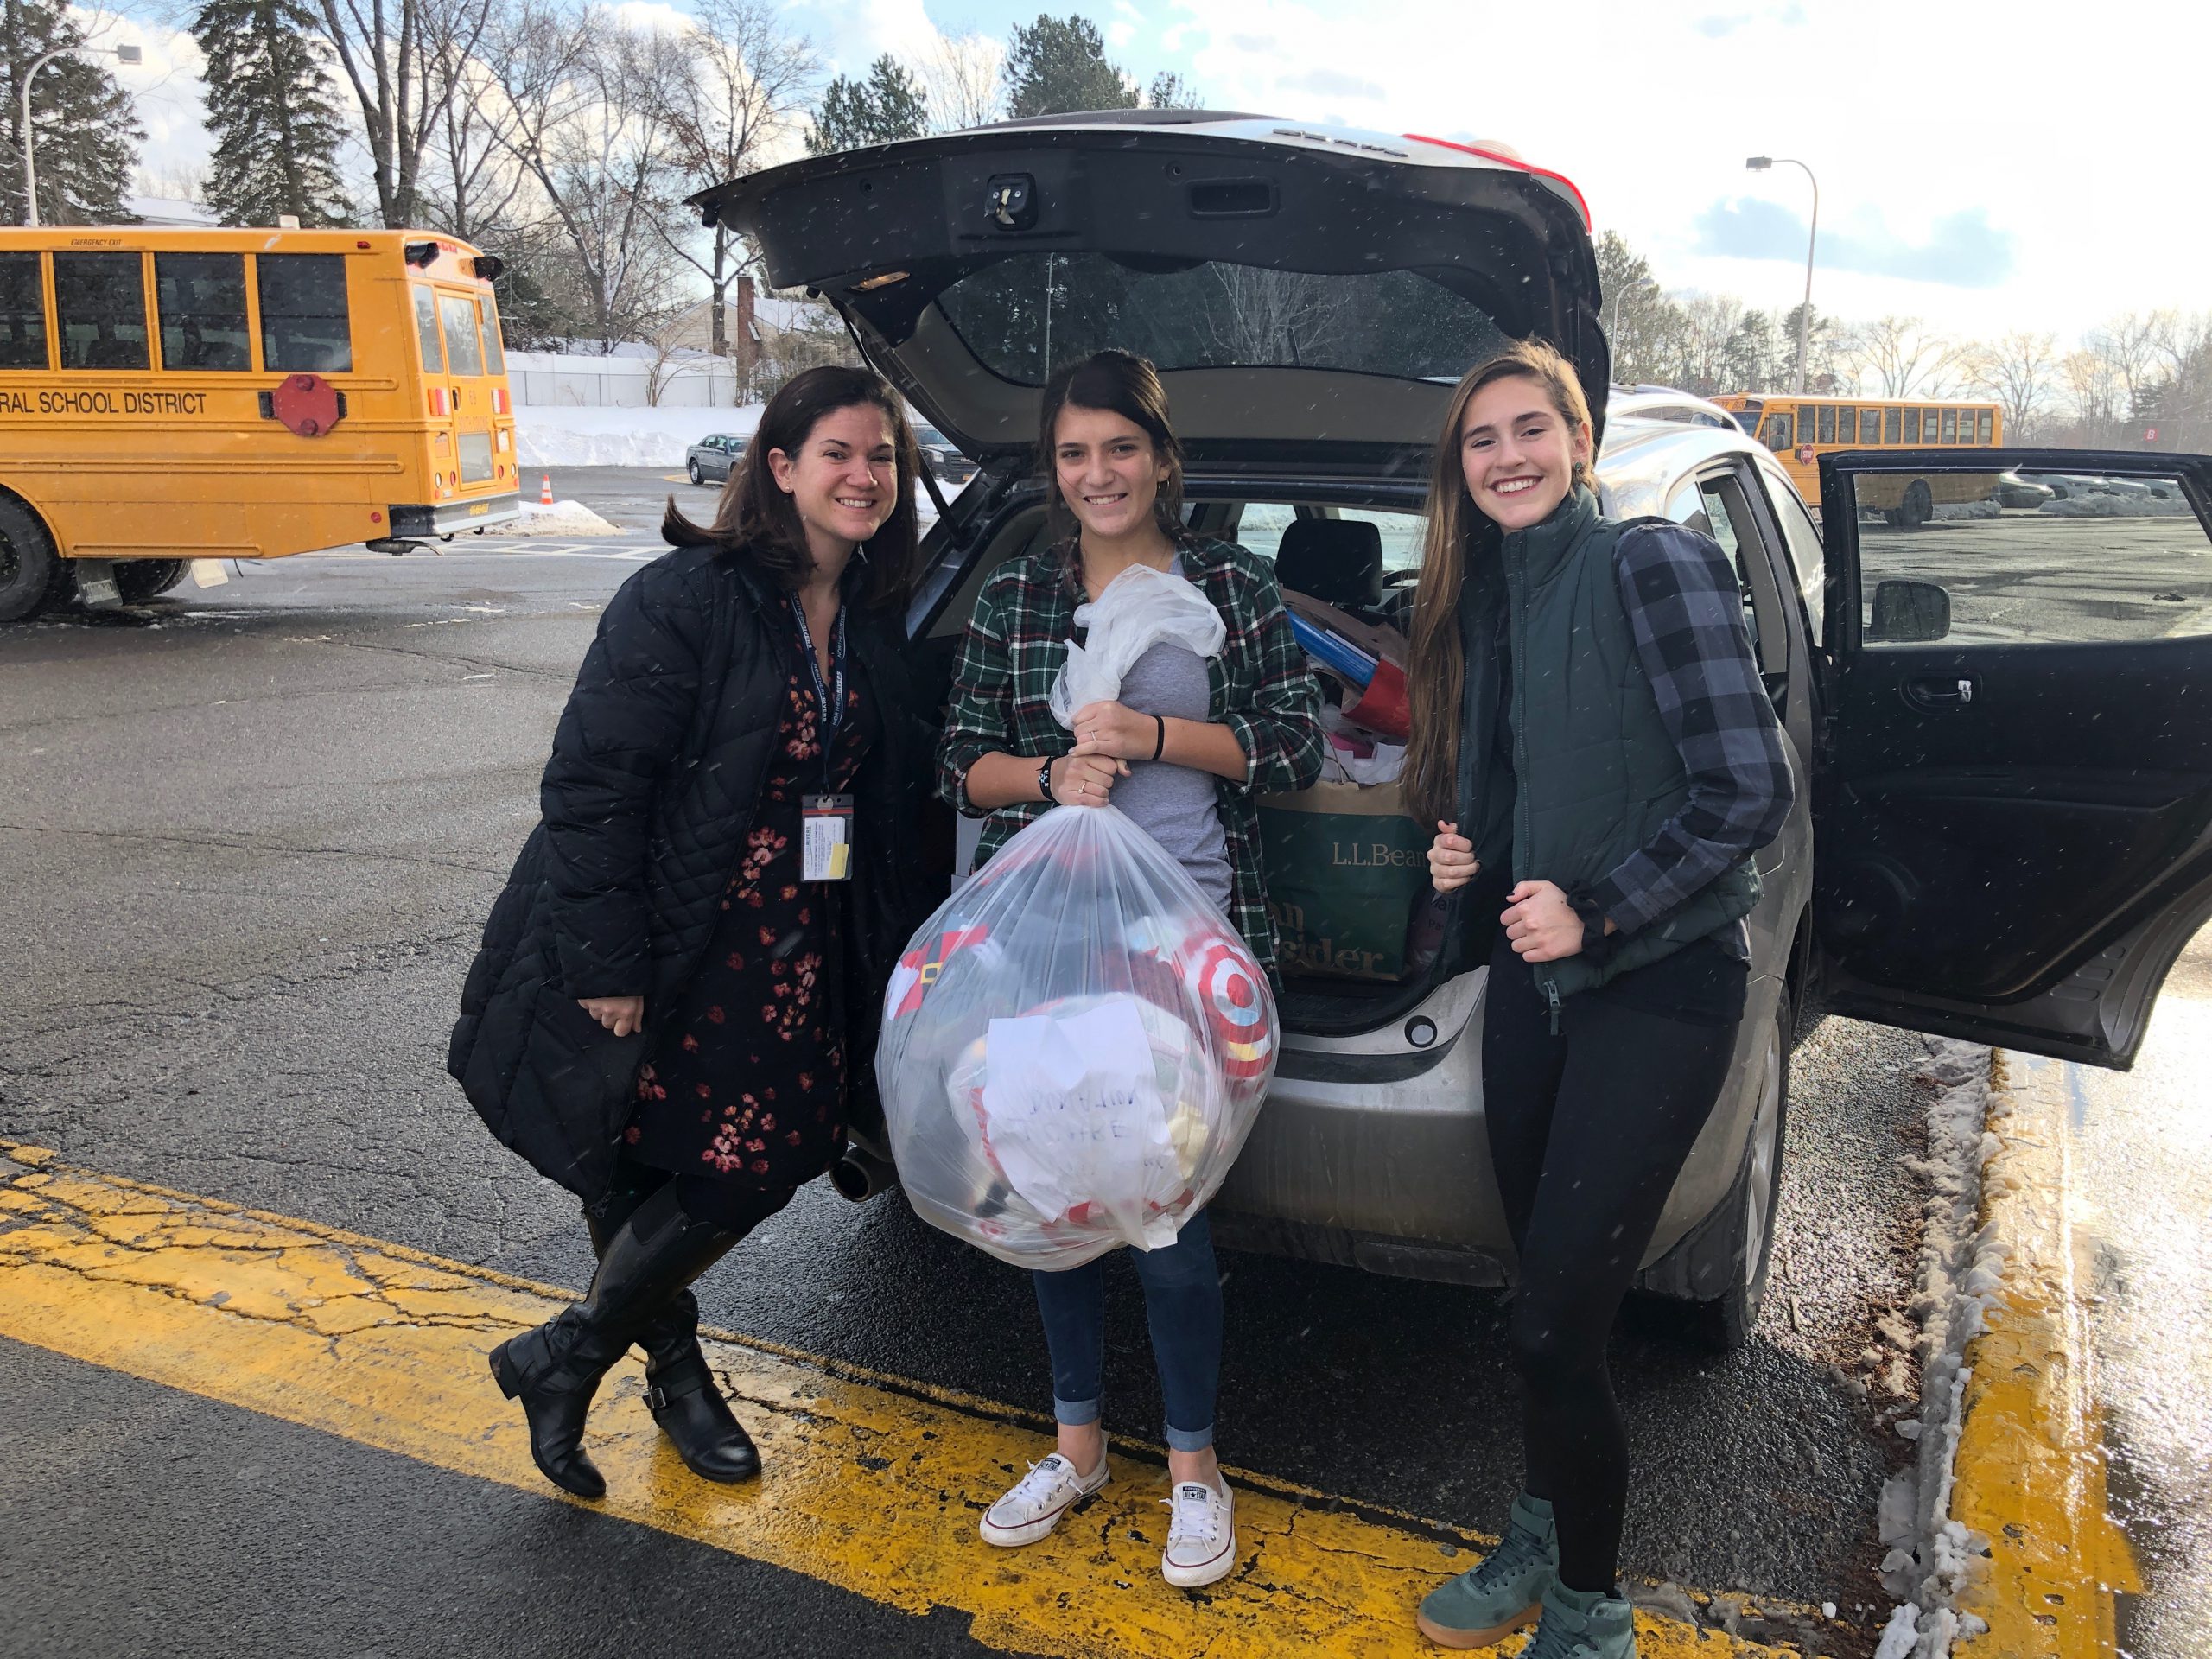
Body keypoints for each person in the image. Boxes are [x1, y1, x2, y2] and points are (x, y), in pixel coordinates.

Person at [448, 366, 938, 1501]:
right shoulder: (690, 596)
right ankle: (650, 1368)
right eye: (839, 455)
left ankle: (573, 1358)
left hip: (793, 943)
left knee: (749, 1157)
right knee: (681, 1165)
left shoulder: (871, 614)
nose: (865, 476)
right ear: (780, 467)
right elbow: (591, 785)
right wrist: (609, 962)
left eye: (884, 458)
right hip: (673, 937)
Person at [1404, 340, 1794, 1656]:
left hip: (1660, 988)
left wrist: (1603, 905)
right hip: (1540, 991)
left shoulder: (1651, 561)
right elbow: (1544, 802)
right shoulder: (1495, 599)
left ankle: (1590, 1608)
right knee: (1544, 1300)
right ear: (1459, 470)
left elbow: (1749, 790)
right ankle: (1542, 1522)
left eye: (1532, 429)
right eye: (1481, 440)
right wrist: (1478, 861)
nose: (1507, 456)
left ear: (1579, 439)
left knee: (1559, 1317)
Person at [936, 349, 1322, 1587]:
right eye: (1072, 453)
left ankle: (1196, 1471)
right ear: (1054, 471)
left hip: (1188, 942)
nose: (1097, 473)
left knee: (1169, 1220)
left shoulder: (1230, 588)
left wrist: (1154, 734)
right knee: (1057, 1196)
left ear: (1161, 457)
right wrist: (1051, 776)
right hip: (1050, 944)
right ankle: (1078, 1447)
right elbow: (966, 761)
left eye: (1119, 447)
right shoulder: (1017, 603)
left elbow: (1297, 746)